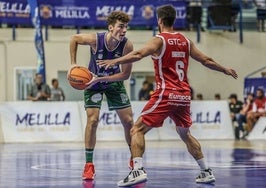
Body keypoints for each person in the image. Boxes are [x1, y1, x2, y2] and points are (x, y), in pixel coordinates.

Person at [97, 4, 238, 186]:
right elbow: (206, 60)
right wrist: (224, 69)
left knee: (136, 130)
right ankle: (206, 170)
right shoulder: (185, 41)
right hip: (184, 95)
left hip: (166, 94)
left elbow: (139, 54)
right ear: (174, 20)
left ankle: (137, 170)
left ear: (160, 21)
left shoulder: (159, 40)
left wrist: (114, 60)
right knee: (185, 134)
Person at [68, 11, 134, 180]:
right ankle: (89, 164)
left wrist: (103, 78)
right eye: (121, 26)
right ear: (111, 27)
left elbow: (125, 75)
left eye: (126, 27)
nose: (124, 30)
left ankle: (134, 157)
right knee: (93, 120)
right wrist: (73, 63)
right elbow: (74, 38)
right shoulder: (95, 40)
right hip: (92, 83)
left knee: (128, 121)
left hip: (113, 82)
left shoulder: (127, 46)